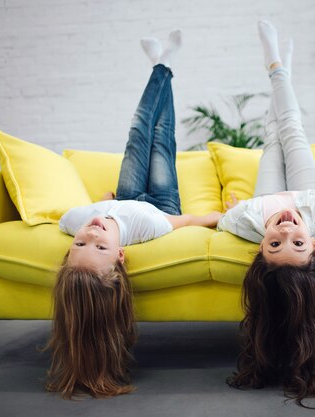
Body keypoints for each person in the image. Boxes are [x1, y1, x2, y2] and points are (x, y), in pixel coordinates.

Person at [45, 30, 221, 399]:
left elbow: (87, 215)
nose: (92, 232)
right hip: (158, 203)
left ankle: (161, 65)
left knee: (137, 131)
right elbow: (186, 222)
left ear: (70, 243)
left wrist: (102, 201)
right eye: (101, 247)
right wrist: (220, 217)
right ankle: (166, 65)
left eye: (81, 242)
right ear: (121, 254)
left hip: (125, 197)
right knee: (161, 135)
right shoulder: (149, 227)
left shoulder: (74, 220)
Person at [222, 21, 315, 407]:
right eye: (296, 242)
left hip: (264, 196)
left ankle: (282, 68)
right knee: (292, 129)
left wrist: (233, 211)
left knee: (270, 136)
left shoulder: (248, 224)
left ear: (260, 246)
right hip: (306, 191)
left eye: (275, 243)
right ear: (313, 244)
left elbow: (228, 220)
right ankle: (279, 67)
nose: (285, 230)